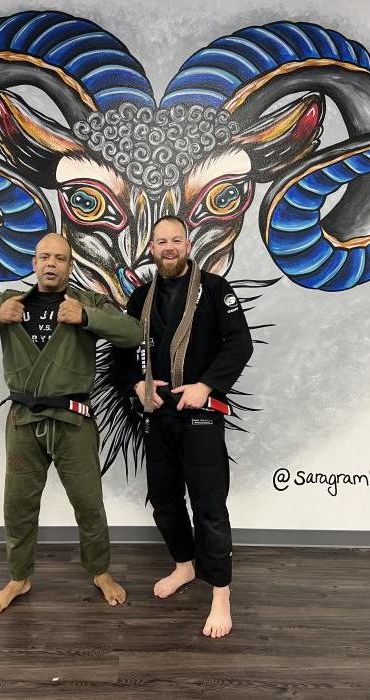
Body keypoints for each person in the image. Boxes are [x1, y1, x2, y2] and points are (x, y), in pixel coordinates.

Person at [0, 232, 141, 614]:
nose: (52, 263)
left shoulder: (87, 302)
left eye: (60, 258)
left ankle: (100, 572)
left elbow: (132, 333)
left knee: (89, 503)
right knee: (18, 505)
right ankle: (18, 577)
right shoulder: (10, 301)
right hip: (23, 421)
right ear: (34, 263)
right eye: (45, 257)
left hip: (73, 420)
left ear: (70, 265)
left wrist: (86, 317)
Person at [114, 215, 253, 638]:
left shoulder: (215, 289)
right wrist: (137, 384)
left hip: (201, 415)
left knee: (209, 507)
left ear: (188, 245)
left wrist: (206, 385)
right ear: (151, 248)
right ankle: (184, 566)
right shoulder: (140, 297)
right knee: (164, 500)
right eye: (162, 241)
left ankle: (221, 594)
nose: (169, 247)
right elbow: (123, 351)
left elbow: (240, 343)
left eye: (176, 240)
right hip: (159, 416)